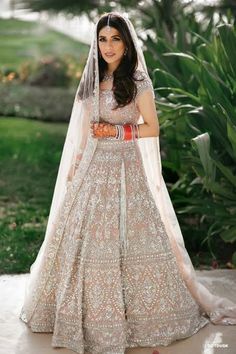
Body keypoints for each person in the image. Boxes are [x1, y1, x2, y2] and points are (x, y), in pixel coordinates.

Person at [19, 11, 236, 354]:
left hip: (125, 168)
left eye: (115, 39)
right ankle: (80, 314)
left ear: (126, 43)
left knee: (130, 237)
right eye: (102, 39)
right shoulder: (92, 80)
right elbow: (82, 131)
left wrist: (118, 131)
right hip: (92, 167)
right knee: (82, 237)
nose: (107, 46)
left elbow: (152, 127)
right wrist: (77, 168)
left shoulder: (137, 81)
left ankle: (139, 315)